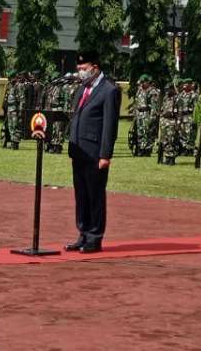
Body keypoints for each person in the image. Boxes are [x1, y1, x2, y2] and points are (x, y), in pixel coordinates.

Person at [64, 52, 119, 254]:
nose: (80, 72)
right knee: (81, 196)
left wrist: (105, 155)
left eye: (83, 68)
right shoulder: (82, 89)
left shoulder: (109, 90)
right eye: (78, 69)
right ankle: (83, 233)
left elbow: (109, 126)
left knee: (95, 195)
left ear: (95, 68)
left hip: (95, 153)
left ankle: (95, 237)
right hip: (78, 151)